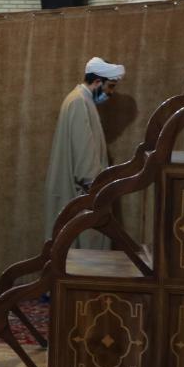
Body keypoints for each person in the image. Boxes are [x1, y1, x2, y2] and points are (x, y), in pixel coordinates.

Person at [44, 57, 125, 250]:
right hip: (81, 197)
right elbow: (85, 164)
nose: (110, 93)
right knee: (82, 256)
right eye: (110, 87)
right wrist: (98, 195)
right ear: (97, 81)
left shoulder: (81, 100)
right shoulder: (79, 102)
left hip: (79, 196)